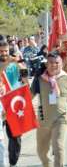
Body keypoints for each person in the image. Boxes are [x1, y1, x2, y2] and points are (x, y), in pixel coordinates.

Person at [31, 51, 67, 167]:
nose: (54, 65)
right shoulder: (39, 79)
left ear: (62, 63)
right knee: (41, 152)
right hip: (43, 120)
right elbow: (30, 96)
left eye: (57, 63)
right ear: (46, 64)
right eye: (51, 63)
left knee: (58, 146)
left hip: (61, 119)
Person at [0, 39, 29, 167]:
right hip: (0, 104)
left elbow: (24, 78)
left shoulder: (13, 63)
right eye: (1, 51)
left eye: (6, 51)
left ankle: (13, 163)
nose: (4, 53)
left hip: (12, 102)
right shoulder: (5, 63)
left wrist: (21, 66)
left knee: (15, 136)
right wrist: (8, 62)